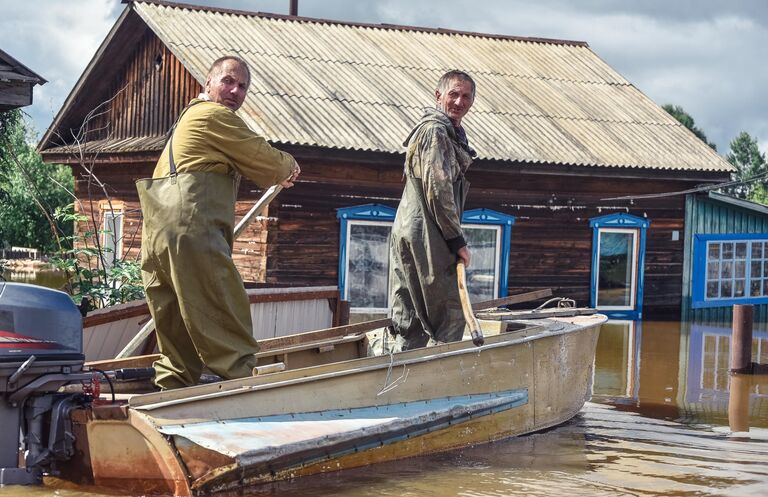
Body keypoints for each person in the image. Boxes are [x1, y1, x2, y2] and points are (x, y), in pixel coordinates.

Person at [136, 55, 300, 390]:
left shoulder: (186, 120)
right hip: (191, 230)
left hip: (157, 238)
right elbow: (265, 160)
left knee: (175, 331)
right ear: (207, 84)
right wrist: (288, 166)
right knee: (222, 307)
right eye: (228, 81)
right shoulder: (213, 115)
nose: (235, 91)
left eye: (242, 86)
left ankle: (170, 399)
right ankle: (245, 392)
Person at [388, 70, 477, 351]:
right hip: (427, 232)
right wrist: (457, 240)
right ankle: (439, 379)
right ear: (438, 96)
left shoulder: (447, 133)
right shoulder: (435, 131)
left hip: (413, 229)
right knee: (448, 313)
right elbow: (438, 191)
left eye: (466, 96)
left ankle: (404, 376)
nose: (459, 101)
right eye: (453, 94)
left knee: (410, 311)